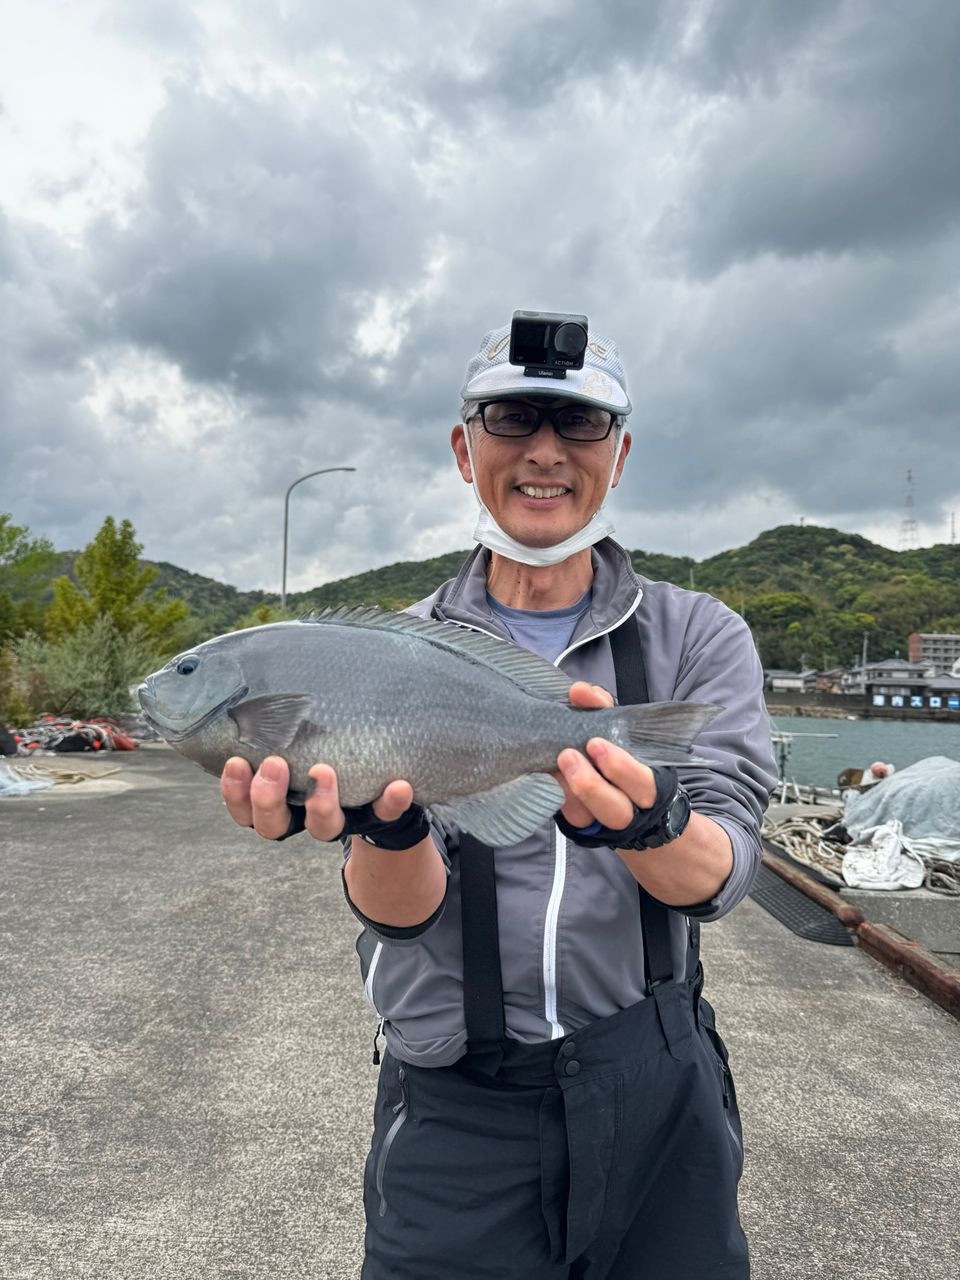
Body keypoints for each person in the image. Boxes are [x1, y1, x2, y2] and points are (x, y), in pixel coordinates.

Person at [220, 316, 777, 1279]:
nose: (546, 451)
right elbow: (404, 917)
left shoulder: (699, 635)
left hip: (654, 1086)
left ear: (620, 454)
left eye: (581, 423)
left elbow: (721, 876)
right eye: (512, 419)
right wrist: (388, 825)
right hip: (456, 1104)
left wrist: (651, 822)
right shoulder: (390, 651)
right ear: (463, 449)